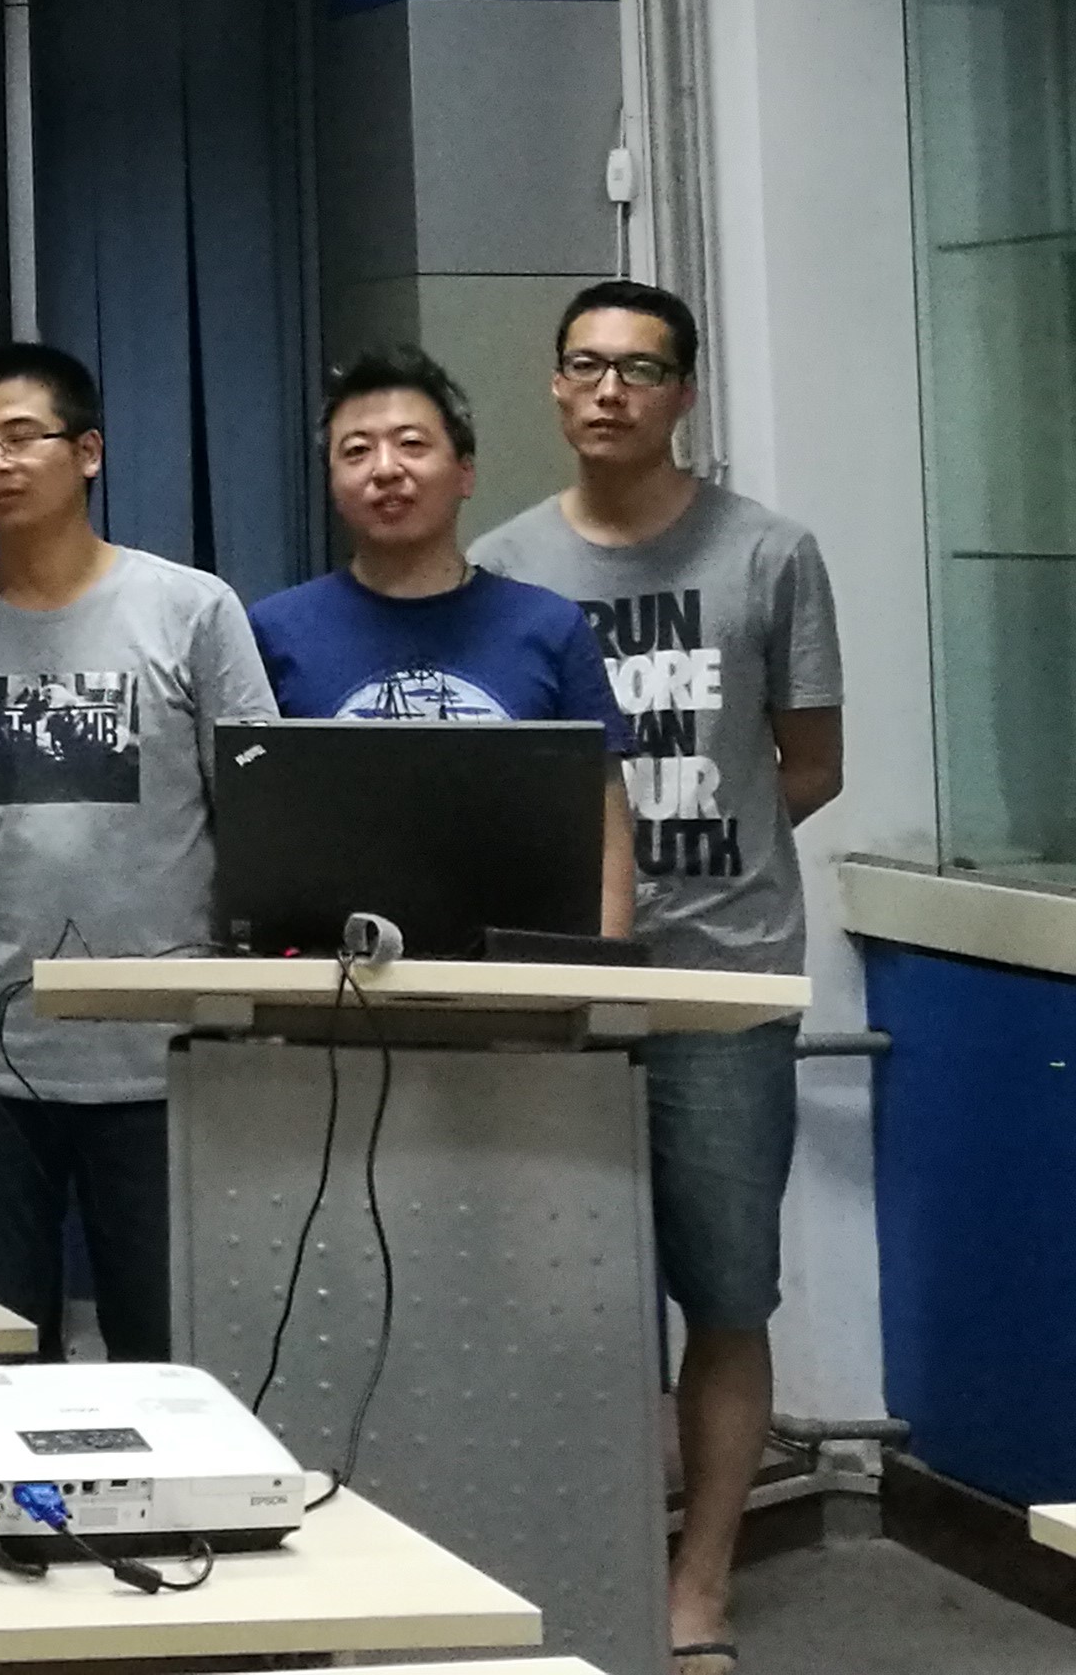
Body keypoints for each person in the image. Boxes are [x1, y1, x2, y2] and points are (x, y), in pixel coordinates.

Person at [471, 281, 843, 1668]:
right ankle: (589, 1549)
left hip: (722, 984)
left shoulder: (769, 554)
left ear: (682, 393)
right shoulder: (503, 565)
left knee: (726, 1292)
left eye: (638, 370)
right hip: (561, 986)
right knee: (567, 1294)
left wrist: (701, 856)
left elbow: (811, 764)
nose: (607, 390)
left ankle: (701, 1581)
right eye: (583, 365)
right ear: (553, 385)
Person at [0, 342, 274, 1362]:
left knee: (166, 1352)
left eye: (22, 437)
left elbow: (260, 826)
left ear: (89, 451)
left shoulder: (191, 611)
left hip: (160, 1056)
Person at [249, 346, 639, 933]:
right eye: (356, 451)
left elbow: (605, 836)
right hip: (333, 968)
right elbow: (252, 827)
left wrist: (601, 971)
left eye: (412, 444)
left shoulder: (549, 627)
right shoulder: (274, 630)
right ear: (331, 482)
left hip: (519, 968)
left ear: (465, 473)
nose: (385, 469)